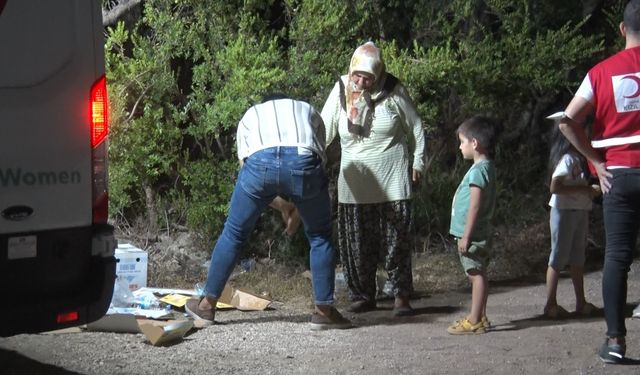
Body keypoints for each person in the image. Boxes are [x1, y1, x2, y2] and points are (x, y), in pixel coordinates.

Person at [185, 94, 352, 331]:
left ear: (266, 103)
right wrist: (293, 205)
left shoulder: (251, 115)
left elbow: (249, 171)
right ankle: (324, 311)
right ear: (288, 101)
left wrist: (282, 204)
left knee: (234, 233)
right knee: (319, 236)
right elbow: (318, 156)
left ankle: (205, 306)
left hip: (259, 162)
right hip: (303, 159)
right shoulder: (307, 109)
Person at [558, 0, 640, 363]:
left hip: (618, 176)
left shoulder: (601, 72)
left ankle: (616, 342)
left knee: (618, 257)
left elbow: (567, 120)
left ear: (622, 29)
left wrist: (595, 162)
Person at [320, 41, 426, 316]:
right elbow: (325, 128)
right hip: (354, 183)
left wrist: (418, 161)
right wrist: (311, 157)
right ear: (351, 70)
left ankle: (400, 295)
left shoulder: (393, 91)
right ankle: (363, 294)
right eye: (358, 75)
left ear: (378, 75)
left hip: (392, 180)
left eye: (368, 78)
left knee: (396, 241)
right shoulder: (341, 89)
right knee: (357, 244)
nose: (361, 82)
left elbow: (415, 126)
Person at [543, 118, 600, 319]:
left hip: (579, 210)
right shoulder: (568, 159)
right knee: (558, 257)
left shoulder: (578, 158)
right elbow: (555, 186)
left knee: (578, 257)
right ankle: (550, 304)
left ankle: (580, 302)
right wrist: (585, 189)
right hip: (564, 212)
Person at [447, 115, 497, 335]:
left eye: (462, 141)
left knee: (475, 274)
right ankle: (481, 315)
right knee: (479, 272)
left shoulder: (478, 171)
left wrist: (466, 235)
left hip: (473, 233)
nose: (460, 147)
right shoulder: (487, 167)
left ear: (474, 143)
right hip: (480, 231)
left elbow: (475, 205)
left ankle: (474, 319)